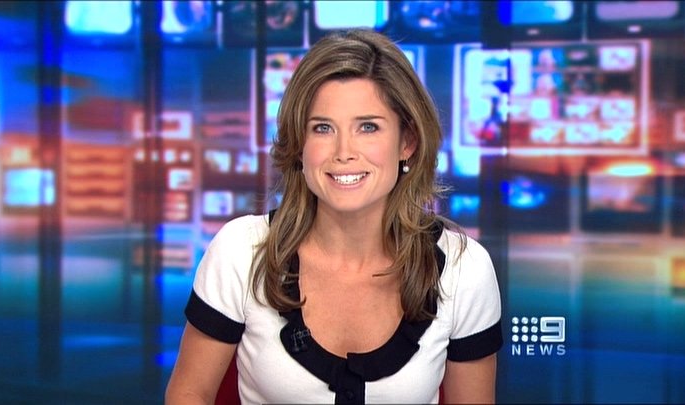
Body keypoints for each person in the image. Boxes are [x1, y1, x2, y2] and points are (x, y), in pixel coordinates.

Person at [166, 29, 503, 404]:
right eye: (323, 128)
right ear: (300, 144)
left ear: (407, 142)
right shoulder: (241, 252)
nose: (344, 152)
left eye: (368, 127)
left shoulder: (463, 268)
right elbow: (189, 393)